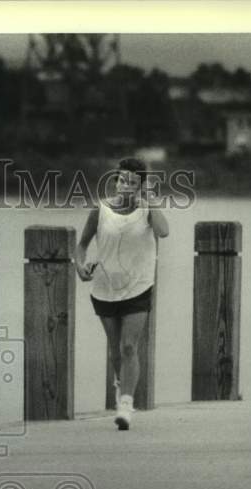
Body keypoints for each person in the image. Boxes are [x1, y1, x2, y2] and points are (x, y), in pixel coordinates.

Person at [75, 157, 169, 429]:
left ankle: (126, 404)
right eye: (121, 179)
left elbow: (163, 232)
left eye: (131, 181)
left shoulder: (147, 210)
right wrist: (79, 266)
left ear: (140, 185)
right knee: (115, 350)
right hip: (104, 288)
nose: (124, 185)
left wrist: (149, 199)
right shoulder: (101, 210)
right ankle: (121, 385)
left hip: (139, 287)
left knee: (129, 346)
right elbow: (81, 245)